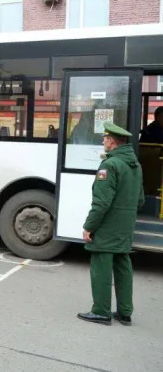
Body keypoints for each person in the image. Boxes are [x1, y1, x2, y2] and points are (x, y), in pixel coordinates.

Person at [77, 121, 144, 326]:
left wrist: (89, 226)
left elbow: (101, 202)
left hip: (108, 225)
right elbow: (140, 199)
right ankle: (125, 312)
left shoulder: (110, 165)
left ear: (112, 142)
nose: (103, 141)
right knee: (123, 264)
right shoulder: (135, 164)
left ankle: (101, 311)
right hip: (125, 225)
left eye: (105, 138)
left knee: (101, 266)